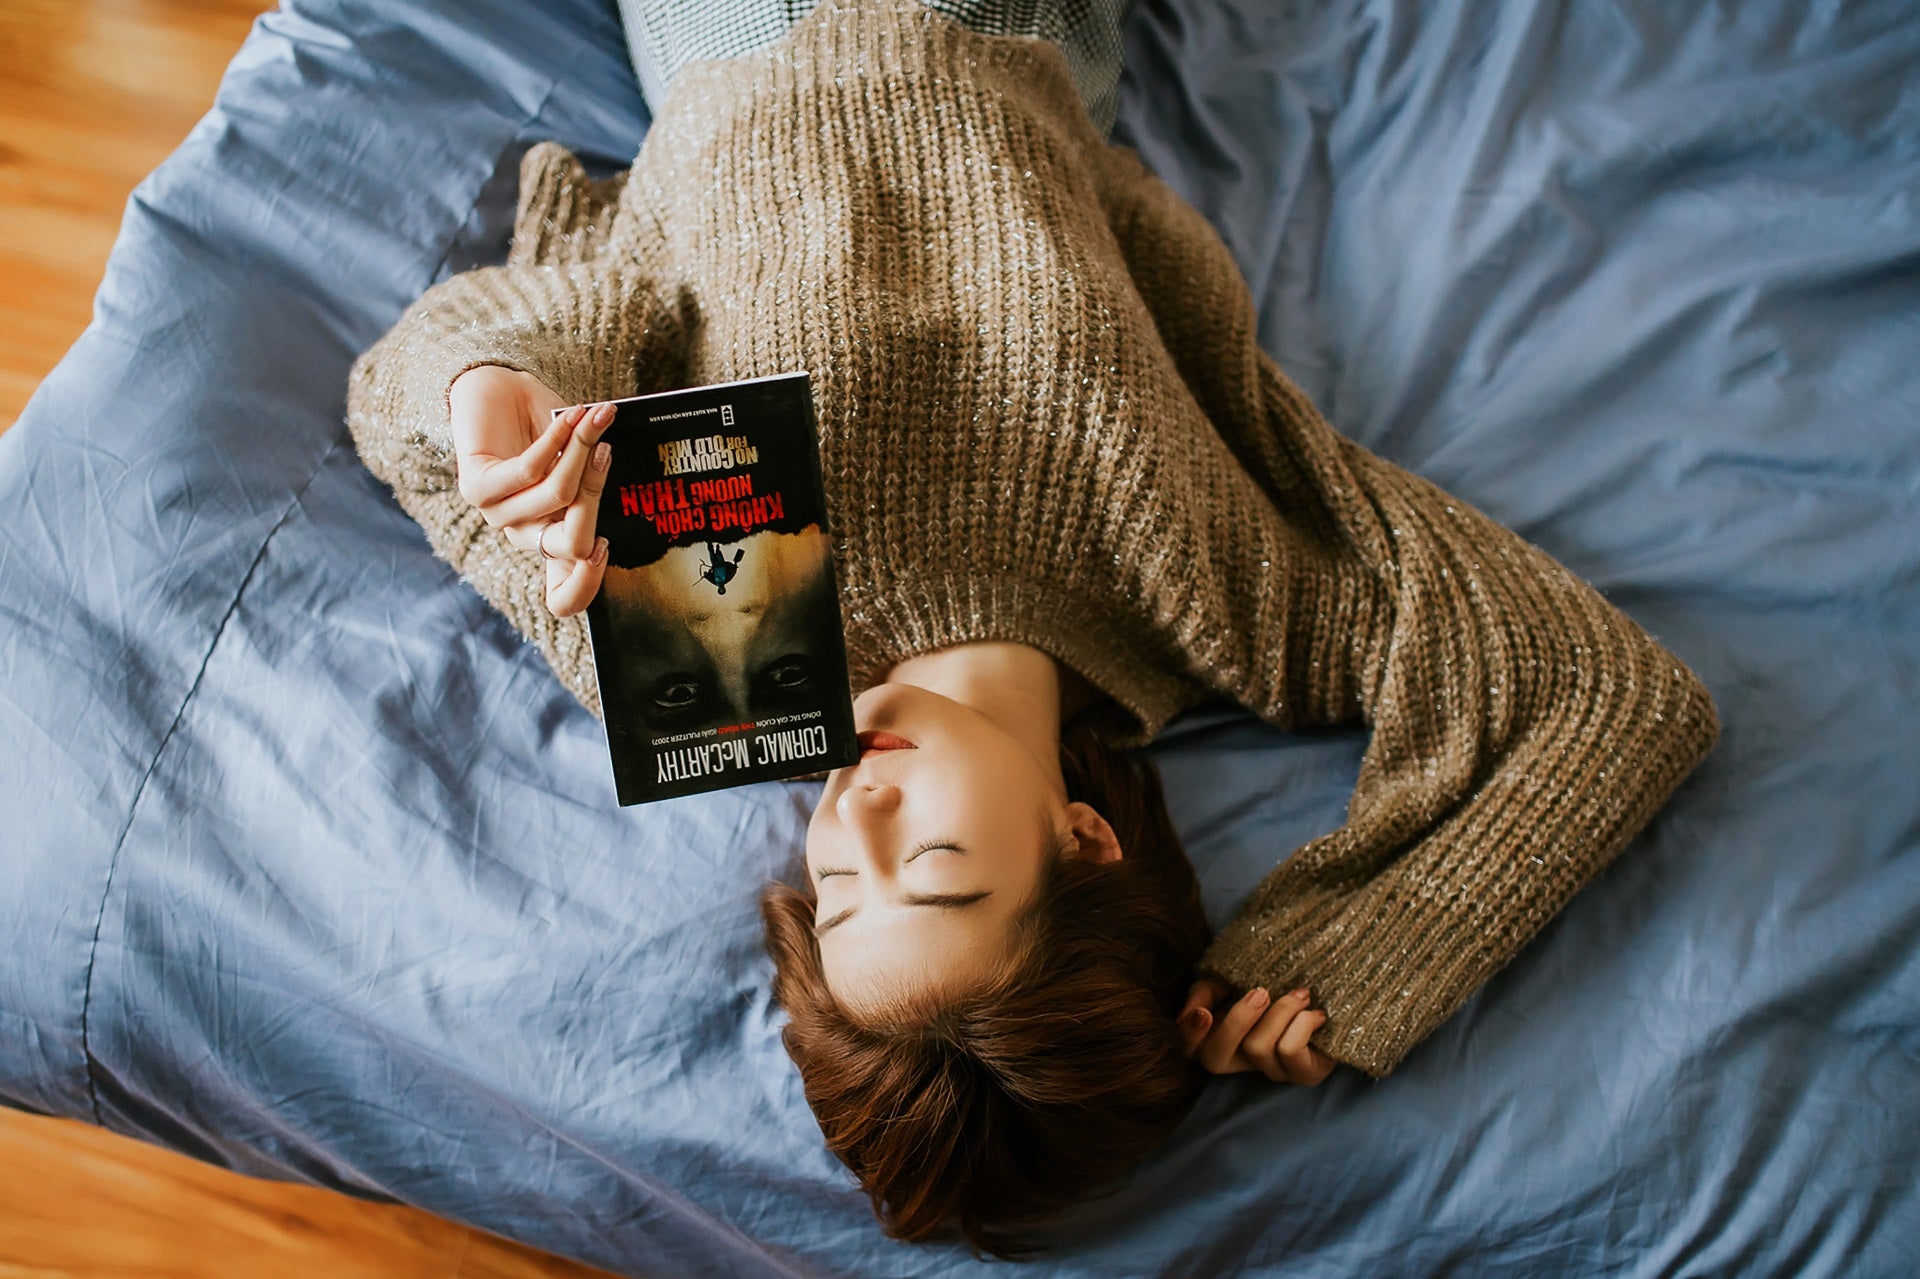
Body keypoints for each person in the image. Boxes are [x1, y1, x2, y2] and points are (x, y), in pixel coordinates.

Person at [346, 0, 1720, 1254]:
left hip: (730, 37)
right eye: (933, 864)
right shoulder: (1213, 597)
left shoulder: (715, 659)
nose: (852, 819)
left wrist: (492, 401)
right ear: (1084, 839)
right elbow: (1606, 698)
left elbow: (411, 389)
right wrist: (1351, 952)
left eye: (833, 895)